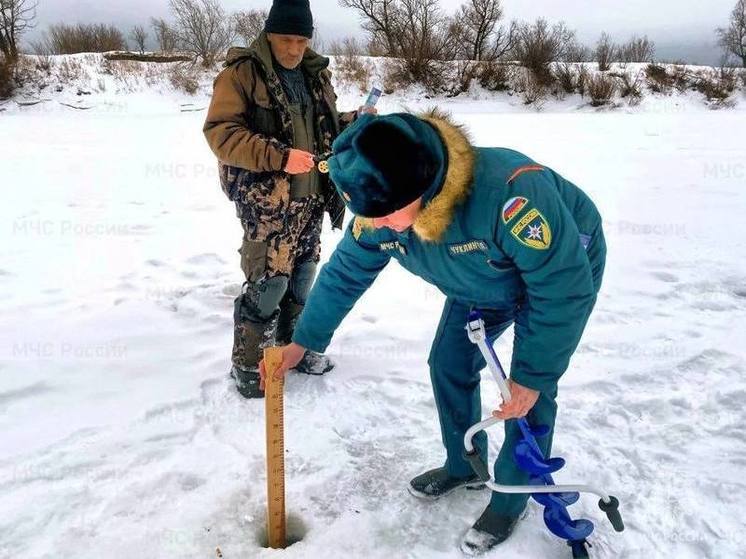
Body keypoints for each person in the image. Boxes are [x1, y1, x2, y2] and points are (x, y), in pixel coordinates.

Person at [260, 109, 607, 554]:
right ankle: (465, 464)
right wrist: (303, 342)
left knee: (526, 394)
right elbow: (346, 271)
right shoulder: (379, 209)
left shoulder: (512, 195)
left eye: (384, 215)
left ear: (420, 184)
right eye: (367, 215)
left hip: (558, 272)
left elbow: (562, 288)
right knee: (448, 361)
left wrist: (533, 376)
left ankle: (512, 496)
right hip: (478, 277)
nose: (374, 225)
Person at [203, 0, 373, 398]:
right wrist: (279, 156)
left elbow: (323, 129)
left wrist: (355, 121)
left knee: (303, 278)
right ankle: (250, 363)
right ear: (268, 34)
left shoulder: (315, 74)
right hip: (267, 201)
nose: (295, 49)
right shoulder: (242, 73)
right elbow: (221, 134)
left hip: (313, 197)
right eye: (286, 39)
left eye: (302, 39)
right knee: (269, 284)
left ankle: (293, 350)